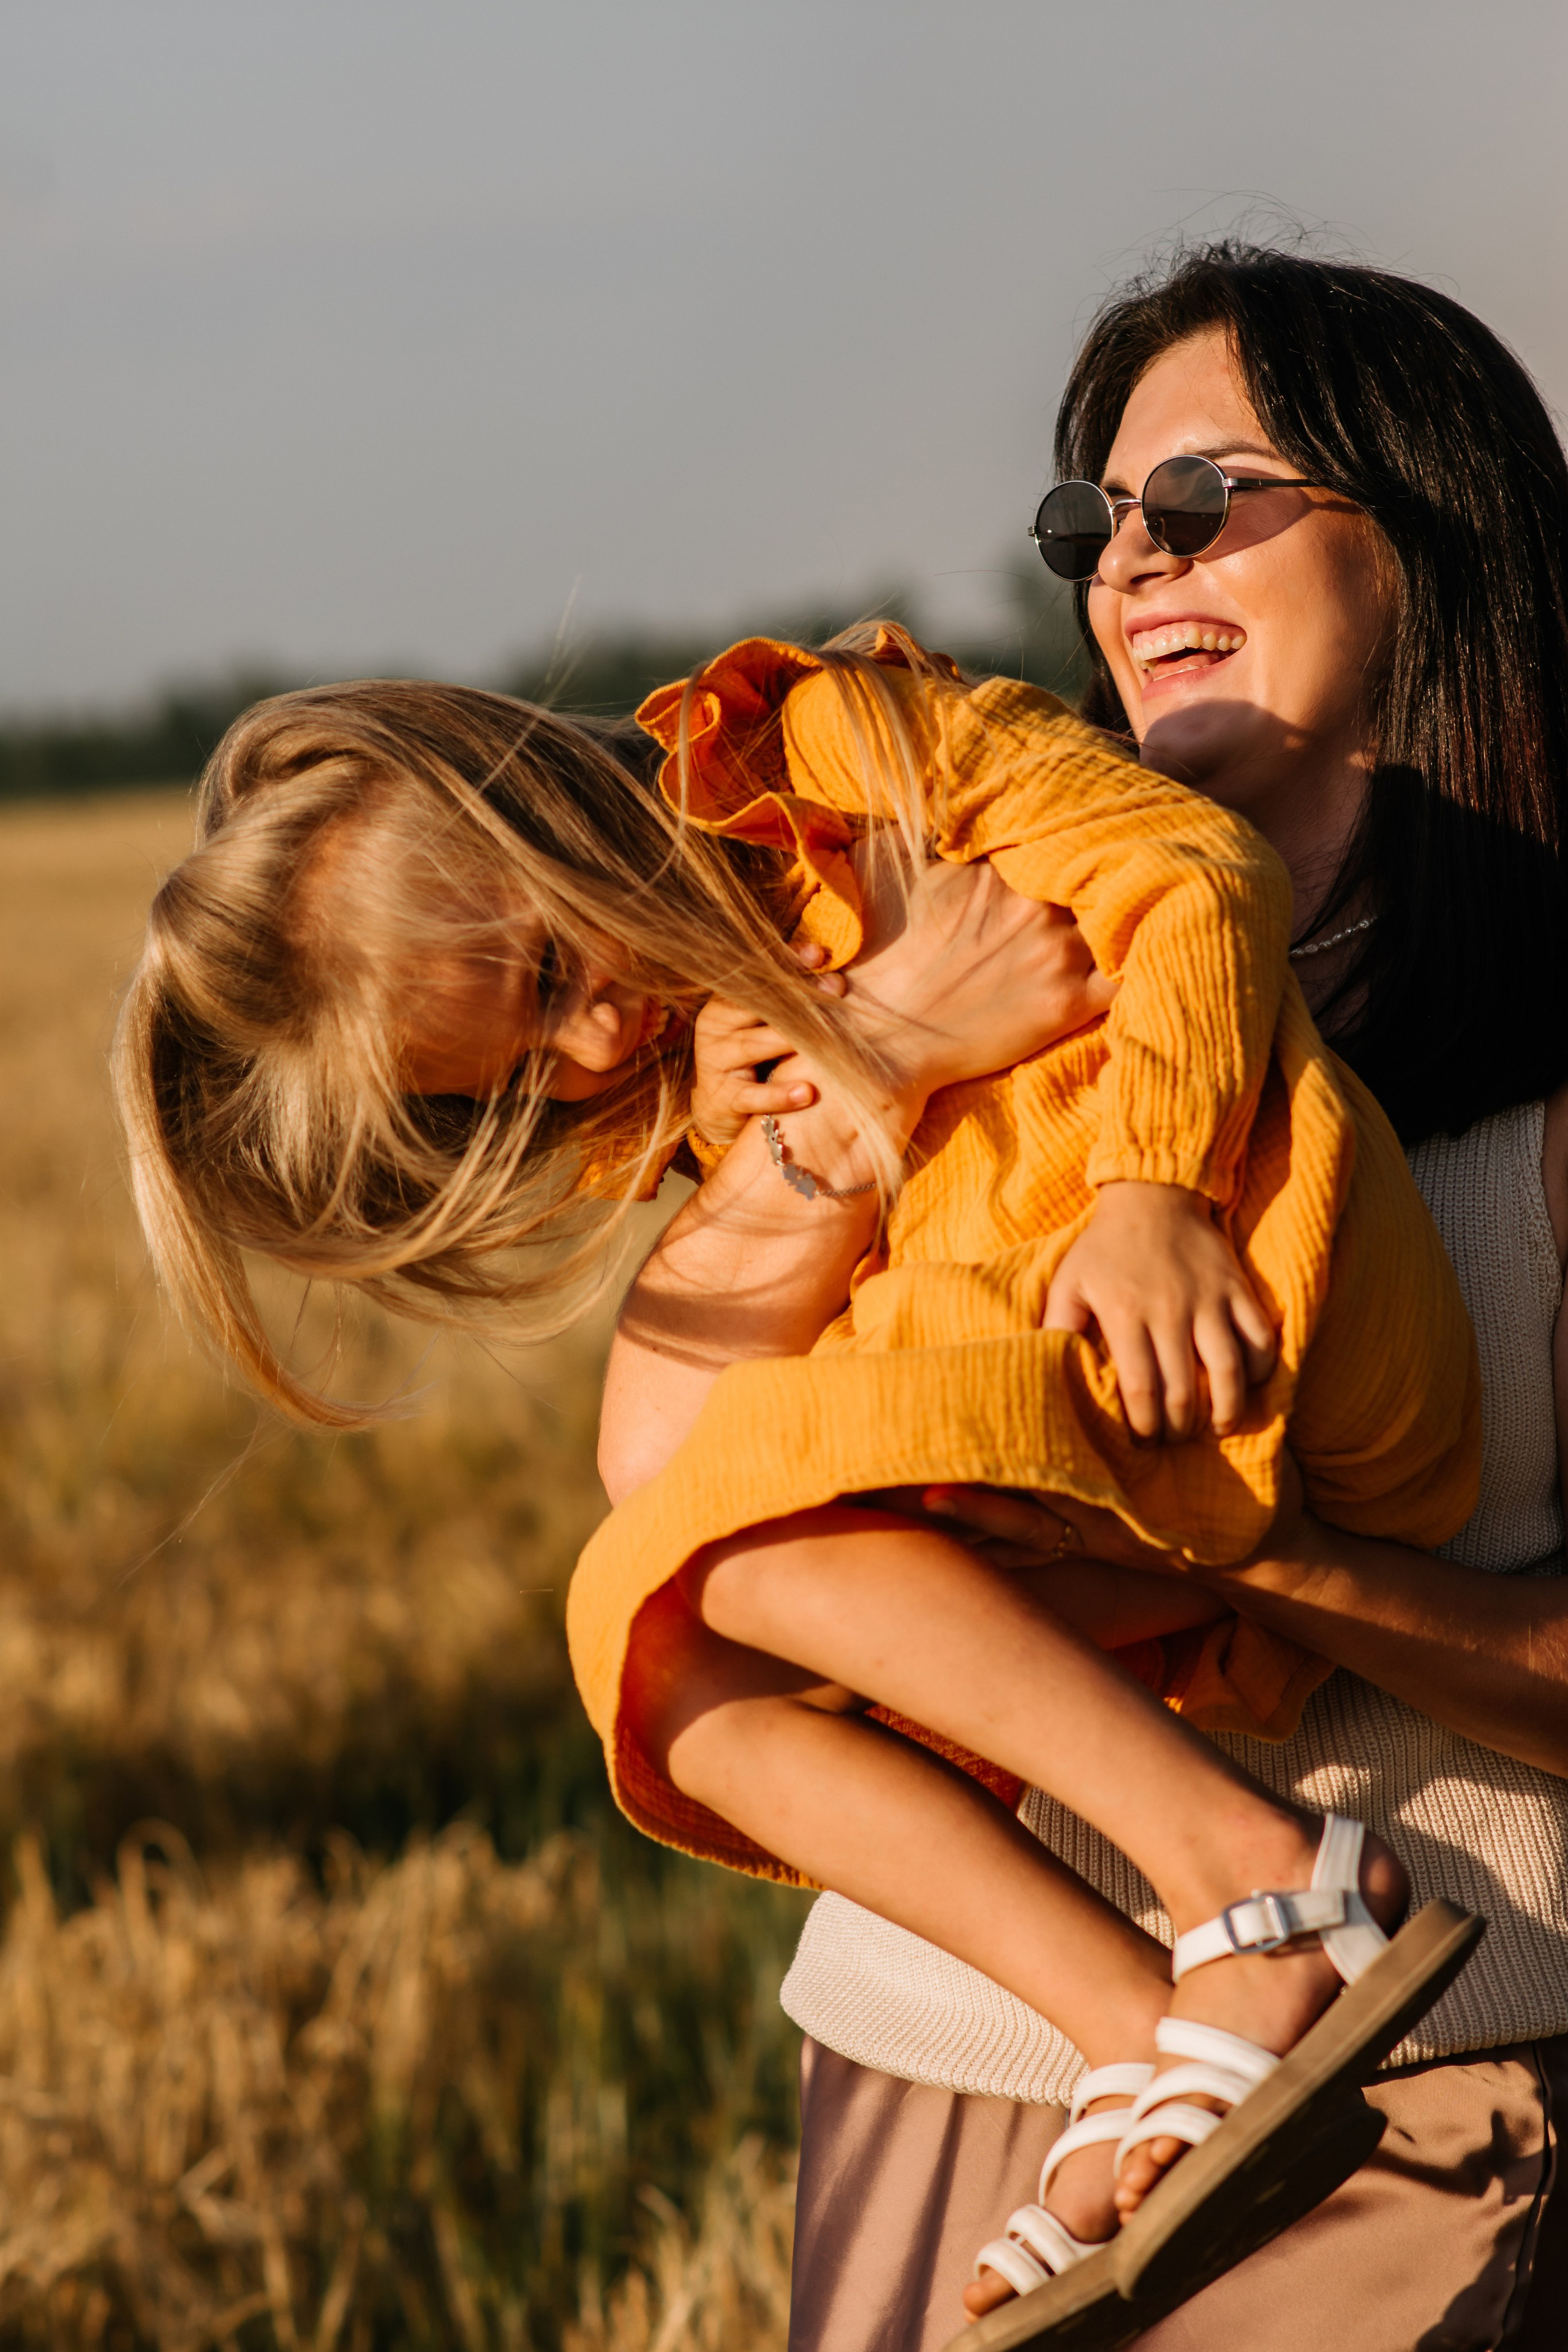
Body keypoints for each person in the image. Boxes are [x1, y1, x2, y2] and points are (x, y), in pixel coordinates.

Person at [594, 246, 1568, 2351]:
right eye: (1096, 520)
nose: (1132, 559)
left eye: (1207, 496)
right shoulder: (926, 962)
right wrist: (852, 1084)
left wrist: (1259, 1555)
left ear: (1435, 531)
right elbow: (672, 1517)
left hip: (1436, 2085)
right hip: (944, 2074)